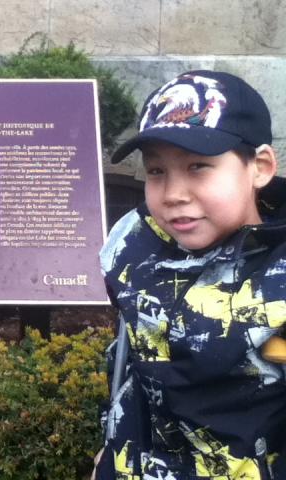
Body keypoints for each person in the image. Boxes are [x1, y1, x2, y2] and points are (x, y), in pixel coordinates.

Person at [94, 70, 286, 480]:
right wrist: (111, 451)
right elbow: (132, 362)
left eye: (198, 166)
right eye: (157, 171)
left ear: (260, 167)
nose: (173, 194)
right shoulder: (136, 247)